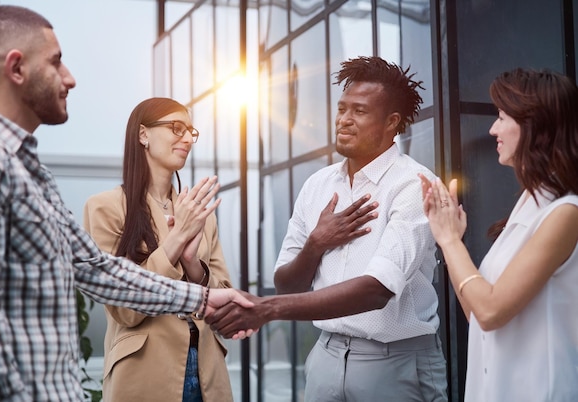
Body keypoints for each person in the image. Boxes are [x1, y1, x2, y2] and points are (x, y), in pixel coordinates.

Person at [0, 6, 252, 402]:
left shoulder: (28, 171)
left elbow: (99, 271)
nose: (70, 78)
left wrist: (203, 296)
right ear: (16, 68)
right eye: (57, 62)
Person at [207, 56, 448, 401]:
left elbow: (377, 290)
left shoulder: (412, 185)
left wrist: (268, 309)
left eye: (360, 111)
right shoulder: (317, 185)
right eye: (342, 109)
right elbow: (287, 283)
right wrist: (316, 244)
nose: (344, 121)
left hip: (395, 363)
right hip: (326, 357)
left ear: (392, 122)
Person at [420, 68, 578, 402]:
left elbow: (491, 312)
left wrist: (450, 240)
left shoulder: (566, 213)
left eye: (502, 116)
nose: (493, 128)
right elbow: (478, 316)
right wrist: (450, 238)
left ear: (534, 126)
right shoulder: (527, 207)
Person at [83, 97, 234, 402]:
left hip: (208, 372)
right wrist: (176, 241)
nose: (188, 138)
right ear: (143, 135)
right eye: (177, 127)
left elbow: (225, 302)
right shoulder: (106, 208)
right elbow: (124, 310)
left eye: (192, 131)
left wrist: (193, 264)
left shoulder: (196, 211)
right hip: (144, 374)